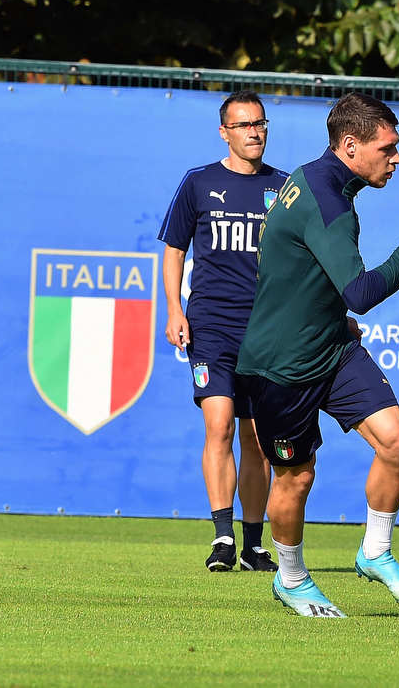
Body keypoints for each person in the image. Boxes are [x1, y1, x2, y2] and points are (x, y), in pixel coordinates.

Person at [235, 92, 399, 618]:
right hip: (282, 365)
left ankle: (375, 550)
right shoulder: (328, 201)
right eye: (387, 148)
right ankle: (293, 578)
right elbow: (361, 294)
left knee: (397, 440)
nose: (396, 159)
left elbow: (304, 269)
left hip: (332, 347)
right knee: (296, 477)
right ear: (351, 146)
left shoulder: (319, 180)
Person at [158, 90, 287, 573]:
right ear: (224, 133)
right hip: (212, 324)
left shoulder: (284, 186)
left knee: (257, 440)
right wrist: (175, 309)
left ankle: (254, 545)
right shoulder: (199, 183)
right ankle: (222, 538)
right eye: (244, 125)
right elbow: (173, 249)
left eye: (261, 123)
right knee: (218, 425)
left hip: (267, 330)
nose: (255, 132)